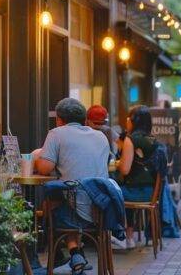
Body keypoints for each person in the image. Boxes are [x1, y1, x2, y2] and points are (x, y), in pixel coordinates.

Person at [33, 98, 112, 274]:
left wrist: (37, 156)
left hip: (75, 212)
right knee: (67, 198)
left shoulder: (57, 133)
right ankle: (76, 253)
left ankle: (63, 253)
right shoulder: (101, 137)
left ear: (59, 120)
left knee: (49, 206)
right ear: (85, 120)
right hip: (101, 210)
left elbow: (45, 168)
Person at [111, 105, 161, 249]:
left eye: (129, 118)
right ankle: (129, 237)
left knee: (111, 192)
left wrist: (118, 164)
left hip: (136, 192)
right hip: (152, 194)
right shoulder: (154, 140)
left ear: (134, 121)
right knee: (124, 189)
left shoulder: (131, 140)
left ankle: (119, 236)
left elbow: (125, 170)